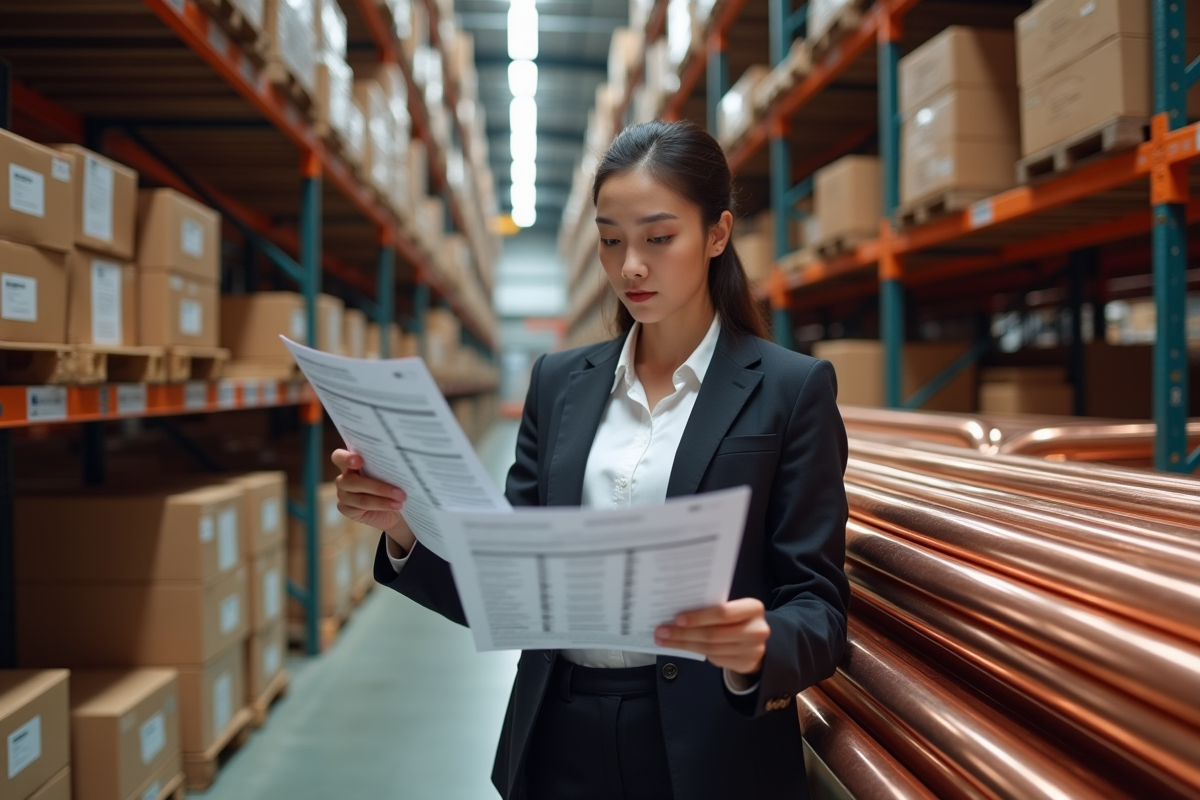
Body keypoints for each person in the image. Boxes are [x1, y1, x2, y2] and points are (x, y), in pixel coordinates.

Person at [332, 120, 850, 800]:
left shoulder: (789, 390)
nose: (630, 265)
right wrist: (402, 528)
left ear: (717, 235)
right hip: (558, 738)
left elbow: (820, 606)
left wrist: (762, 646)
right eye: (611, 240)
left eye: (658, 238)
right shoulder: (558, 384)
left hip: (711, 747)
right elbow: (506, 581)